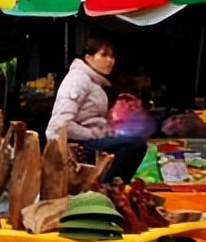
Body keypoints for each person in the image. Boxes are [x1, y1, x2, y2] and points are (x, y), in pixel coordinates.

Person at [46, 34, 148, 182]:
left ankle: (111, 187)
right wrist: (95, 134)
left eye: (112, 56)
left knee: (135, 139)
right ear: (88, 58)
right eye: (104, 55)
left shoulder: (94, 82)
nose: (110, 61)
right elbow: (60, 125)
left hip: (91, 140)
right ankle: (106, 189)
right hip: (79, 144)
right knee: (133, 145)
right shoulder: (78, 79)